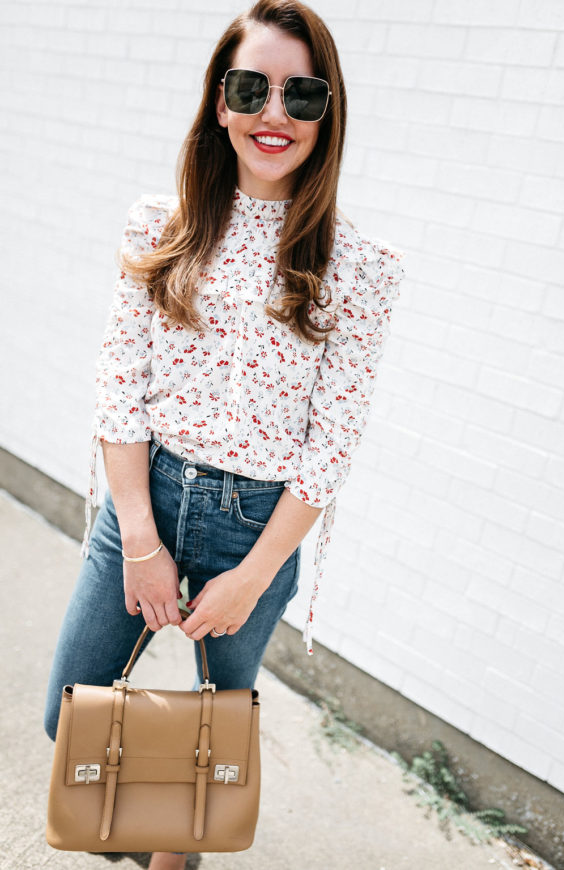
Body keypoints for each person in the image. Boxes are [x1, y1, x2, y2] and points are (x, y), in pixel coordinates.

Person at [43, 0, 405, 867]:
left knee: (212, 731)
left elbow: (332, 448)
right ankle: (144, 835)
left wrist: (253, 576)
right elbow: (118, 384)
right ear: (219, 101)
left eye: (301, 95)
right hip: (148, 495)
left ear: (329, 111)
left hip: (259, 525)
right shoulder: (159, 223)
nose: (274, 114)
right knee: (71, 711)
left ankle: (179, 852)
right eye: (253, 88)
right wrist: (138, 535)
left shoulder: (359, 268)